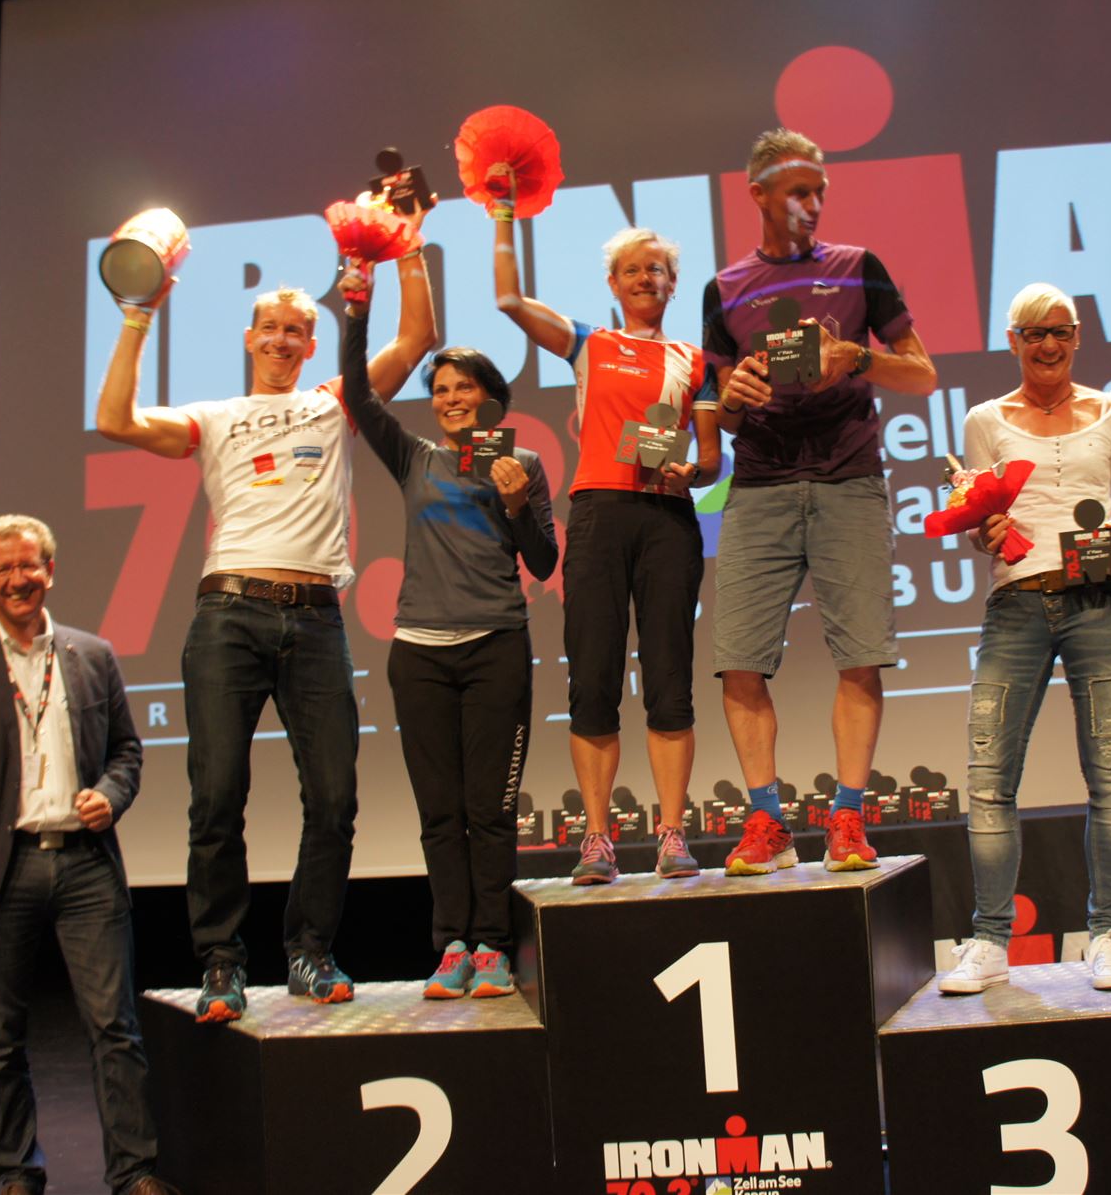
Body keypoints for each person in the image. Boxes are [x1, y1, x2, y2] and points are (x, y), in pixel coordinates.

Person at [95, 218, 437, 1020]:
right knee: (217, 795)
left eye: (296, 331)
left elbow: (416, 338)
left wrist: (406, 246)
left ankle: (309, 952)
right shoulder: (215, 415)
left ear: (313, 347)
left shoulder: (333, 403)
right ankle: (221, 963)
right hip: (228, 615)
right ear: (250, 339)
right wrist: (139, 313)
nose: (282, 340)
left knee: (336, 797)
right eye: (271, 328)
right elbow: (116, 419)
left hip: (315, 620)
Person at [0, 515, 179, 1195]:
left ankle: (134, 1172)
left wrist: (110, 796)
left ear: (50, 571)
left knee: (115, 1028)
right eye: (2, 569)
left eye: (28, 565)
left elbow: (126, 752)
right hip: (0, 871)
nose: (18, 579)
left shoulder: (93, 655)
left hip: (87, 864)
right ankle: (17, 1174)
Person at [704, 127, 937, 879]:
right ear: (758, 194)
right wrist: (736, 395)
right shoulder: (724, 288)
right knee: (739, 660)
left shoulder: (858, 267)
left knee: (861, 654)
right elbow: (719, 410)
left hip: (848, 479)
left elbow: (923, 374)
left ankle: (848, 814)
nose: (812, 205)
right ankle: (767, 820)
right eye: (798, 192)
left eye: (819, 192)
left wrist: (858, 356)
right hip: (760, 484)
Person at [338, 262, 557, 997]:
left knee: (489, 811)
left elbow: (543, 561)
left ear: (491, 397)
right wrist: (357, 310)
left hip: (497, 647)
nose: (451, 398)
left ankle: (493, 944)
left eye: (464, 387)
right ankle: (452, 945)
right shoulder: (415, 458)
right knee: (440, 812)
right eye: (440, 390)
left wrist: (518, 505)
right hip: (419, 654)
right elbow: (358, 396)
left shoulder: (523, 463)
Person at [490, 202, 721, 884]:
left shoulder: (695, 361)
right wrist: (503, 212)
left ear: (674, 283)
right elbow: (508, 300)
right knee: (592, 679)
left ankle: (672, 834)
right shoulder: (590, 344)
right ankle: (597, 838)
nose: (646, 277)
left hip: (668, 520)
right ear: (613, 284)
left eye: (658, 269)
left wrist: (691, 472)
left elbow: (711, 458)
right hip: (597, 513)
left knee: (670, 678)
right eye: (632, 270)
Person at [939, 283, 1111, 994]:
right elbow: (981, 525)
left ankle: (1108, 935)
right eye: (1034, 333)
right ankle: (990, 940)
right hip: (1016, 607)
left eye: (1060, 331)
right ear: (1013, 342)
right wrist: (984, 532)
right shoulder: (984, 419)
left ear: (1078, 335)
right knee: (988, 776)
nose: (1048, 345)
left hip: (1100, 601)